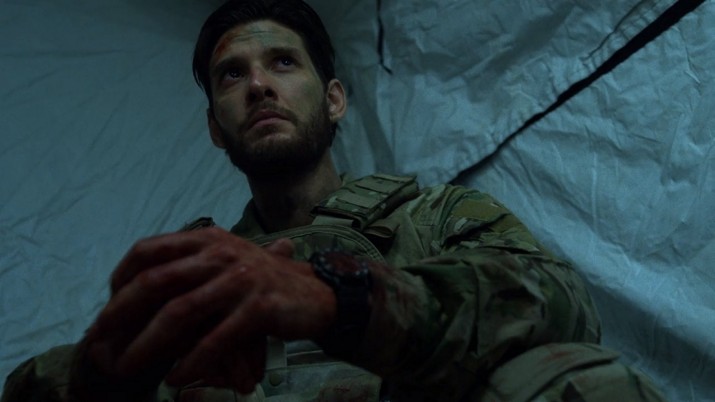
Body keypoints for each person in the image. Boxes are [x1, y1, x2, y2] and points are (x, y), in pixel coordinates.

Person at [2, 1, 666, 401]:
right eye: (232, 75)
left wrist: (341, 298)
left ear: (335, 100)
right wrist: (98, 377)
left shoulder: (432, 216)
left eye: (283, 63)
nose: (258, 86)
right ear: (215, 127)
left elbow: (562, 308)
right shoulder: (192, 276)